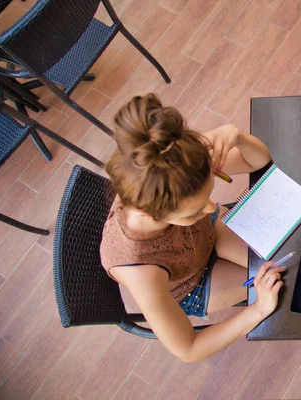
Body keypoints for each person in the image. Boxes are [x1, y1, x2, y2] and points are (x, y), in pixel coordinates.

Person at [100, 93, 283, 363]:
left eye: (208, 196)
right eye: (195, 210)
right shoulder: (140, 270)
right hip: (192, 283)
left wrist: (236, 135)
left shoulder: (176, 162)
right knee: (283, 282)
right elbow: (189, 349)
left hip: (205, 236)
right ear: (152, 214)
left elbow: (258, 161)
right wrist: (259, 309)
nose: (212, 208)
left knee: (284, 257)